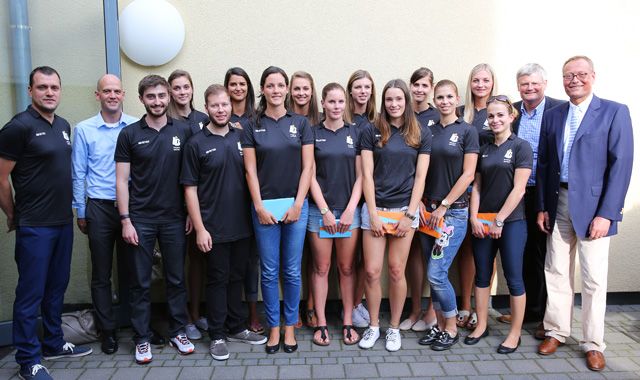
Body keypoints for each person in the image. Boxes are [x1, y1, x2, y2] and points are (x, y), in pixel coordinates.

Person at [536, 56, 634, 372]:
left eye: (580, 74)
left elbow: (622, 165)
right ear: (562, 80)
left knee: (593, 278)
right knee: (556, 270)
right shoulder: (553, 116)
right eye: (568, 75)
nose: (574, 80)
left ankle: (593, 343)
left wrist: (608, 213)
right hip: (559, 202)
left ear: (593, 75)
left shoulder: (614, 112)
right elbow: (546, 165)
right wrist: (542, 206)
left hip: (594, 208)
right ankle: (556, 331)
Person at [0, 66, 92, 380]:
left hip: (61, 222)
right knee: (31, 293)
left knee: (56, 288)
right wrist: (13, 214)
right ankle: (28, 360)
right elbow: (1, 178)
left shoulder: (63, 125)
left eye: (54, 87)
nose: (49, 92)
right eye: (42, 87)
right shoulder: (19, 127)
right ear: (30, 91)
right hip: (35, 225)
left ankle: (53, 342)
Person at [181, 84, 267, 361]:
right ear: (206, 108)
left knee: (237, 277)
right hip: (212, 226)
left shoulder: (242, 137)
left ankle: (236, 327)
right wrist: (200, 227)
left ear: (232, 106)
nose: (221, 109)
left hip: (242, 224)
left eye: (225, 105)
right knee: (217, 279)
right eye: (215, 105)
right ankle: (217, 334)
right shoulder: (196, 142)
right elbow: (190, 189)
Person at [115, 74, 197, 364]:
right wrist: (125, 219)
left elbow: (190, 178)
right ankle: (141, 338)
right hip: (141, 219)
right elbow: (122, 181)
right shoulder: (129, 134)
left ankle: (177, 330)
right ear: (141, 100)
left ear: (169, 97)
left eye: (162, 95)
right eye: (151, 97)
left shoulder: (184, 131)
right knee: (140, 282)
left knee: (176, 279)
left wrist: (189, 212)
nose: (158, 101)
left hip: (175, 218)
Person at [241, 66, 313, 354]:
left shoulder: (301, 123)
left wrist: (298, 204)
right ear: (262, 89)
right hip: (265, 210)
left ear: (286, 89)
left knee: (292, 271)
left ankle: (290, 326)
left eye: (280, 85)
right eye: (270, 85)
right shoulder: (251, 125)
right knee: (269, 272)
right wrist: (258, 206)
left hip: (296, 207)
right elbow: (249, 170)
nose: (276, 90)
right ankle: (273, 328)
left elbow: (308, 167)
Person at [358, 79, 430, 352]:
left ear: (407, 101)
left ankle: (394, 327)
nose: (394, 104)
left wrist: (410, 215)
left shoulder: (420, 133)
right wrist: (373, 213)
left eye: (399, 99)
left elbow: (421, 177)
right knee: (372, 271)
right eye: (389, 99)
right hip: (375, 211)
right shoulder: (371, 130)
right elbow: (366, 174)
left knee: (397, 270)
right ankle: (374, 325)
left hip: (403, 212)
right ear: (383, 102)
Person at [496, 64, 565, 338]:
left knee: (544, 254)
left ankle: (546, 316)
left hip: (543, 192)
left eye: (534, 83)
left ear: (545, 84)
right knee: (519, 252)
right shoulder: (512, 111)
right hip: (515, 192)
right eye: (524, 84)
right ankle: (525, 310)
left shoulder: (558, 110)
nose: (529, 88)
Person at [71, 74, 138, 355]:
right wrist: (81, 210)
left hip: (131, 207)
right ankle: (108, 331)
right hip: (98, 206)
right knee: (101, 273)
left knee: (133, 271)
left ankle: (139, 329)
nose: (112, 95)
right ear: (97, 95)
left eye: (116, 91)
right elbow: (79, 173)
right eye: (106, 91)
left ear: (123, 94)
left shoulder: (135, 126)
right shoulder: (84, 129)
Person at [467, 95, 532, 354]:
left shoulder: (521, 147)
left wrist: (500, 220)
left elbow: (519, 190)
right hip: (482, 222)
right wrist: (474, 217)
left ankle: (515, 334)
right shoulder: (484, 146)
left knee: (514, 278)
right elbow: (478, 185)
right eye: (491, 116)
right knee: (481, 275)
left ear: (511, 116)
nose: (495, 120)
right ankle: (481, 324)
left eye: (500, 115)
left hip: (511, 222)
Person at [418, 79, 479, 351]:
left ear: (457, 99)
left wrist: (444, 205)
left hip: (451, 213)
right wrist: (421, 202)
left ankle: (451, 328)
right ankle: (440, 325)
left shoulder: (466, 131)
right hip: (426, 212)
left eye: (449, 97)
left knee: (437, 271)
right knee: (434, 272)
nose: (444, 101)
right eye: (439, 97)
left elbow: (468, 174)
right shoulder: (427, 129)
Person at [308, 83, 362, 346]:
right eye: (332, 102)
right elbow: (309, 175)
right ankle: (320, 323)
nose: (337, 107)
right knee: (321, 267)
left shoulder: (356, 132)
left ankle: (348, 321)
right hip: (320, 213)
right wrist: (325, 211)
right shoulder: (313, 132)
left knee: (347, 267)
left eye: (341, 102)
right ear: (323, 102)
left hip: (350, 213)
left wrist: (351, 209)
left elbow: (363, 175)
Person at [167, 69, 209, 341]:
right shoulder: (165, 120)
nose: (182, 92)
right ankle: (179, 317)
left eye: (186, 87)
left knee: (197, 262)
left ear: (192, 90)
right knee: (174, 267)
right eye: (177, 88)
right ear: (170, 91)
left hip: (199, 203)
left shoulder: (203, 120)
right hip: (171, 204)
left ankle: (195, 313)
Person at [456, 63, 498, 331]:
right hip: (463, 188)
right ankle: (466, 305)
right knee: (466, 249)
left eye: (485, 80)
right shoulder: (462, 113)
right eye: (476, 80)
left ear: (493, 83)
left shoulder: (498, 110)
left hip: (488, 188)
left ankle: (482, 306)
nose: (480, 84)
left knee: (486, 249)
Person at [223, 67, 263, 334]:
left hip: (256, 196)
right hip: (227, 197)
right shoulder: (219, 117)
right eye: (232, 84)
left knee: (251, 261)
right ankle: (227, 314)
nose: (238, 88)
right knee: (228, 263)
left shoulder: (256, 119)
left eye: (242, 84)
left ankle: (251, 314)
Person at [400, 67, 439, 333]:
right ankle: (414, 310)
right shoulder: (403, 114)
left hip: (435, 196)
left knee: (434, 257)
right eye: (416, 85)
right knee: (412, 256)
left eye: (425, 85)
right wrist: (416, 202)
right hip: (411, 198)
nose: (420, 90)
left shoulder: (439, 115)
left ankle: (432, 312)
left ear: (431, 88)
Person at [287, 70, 320, 328]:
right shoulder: (283, 119)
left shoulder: (319, 121)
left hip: (318, 200)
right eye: (296, 88)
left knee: (315, 260)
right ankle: (294, 308)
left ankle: (310, 306)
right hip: (290, 199)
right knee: (292, 259)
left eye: (305, 88)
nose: (301, 93)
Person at [344, 69, 377, 328]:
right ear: (350, 90)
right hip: (345, 198)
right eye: (358, 87)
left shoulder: (377, 121)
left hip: (370, 200)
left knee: (367, 262)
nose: (363, 91)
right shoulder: (342, 118)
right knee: (346, 261)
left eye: (367, 87)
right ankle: (350, 305)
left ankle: (358, 303)